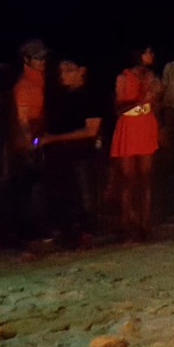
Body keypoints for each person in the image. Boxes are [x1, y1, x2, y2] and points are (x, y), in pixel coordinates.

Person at [43, 57, 104, 244]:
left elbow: (90, 130)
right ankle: (69, 233)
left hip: (81, 156)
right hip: (62, 157)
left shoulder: (90, 96)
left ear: (82, 70)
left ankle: (87, 232)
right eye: (60, 71)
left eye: (68, 70)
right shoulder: (61, 97)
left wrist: (54, 138)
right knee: (66, 196)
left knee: (84, 197)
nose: (63, 75)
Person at [110, 46, 160, 241]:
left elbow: (154, 104)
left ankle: (144, 226)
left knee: (146, 178)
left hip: (146, 125)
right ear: (138, 55)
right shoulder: (123, 78)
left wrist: (155, 98)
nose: (151, 55)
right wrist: (141, 99)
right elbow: (117, 109)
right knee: (128, 179)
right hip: (129, 127)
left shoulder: (152, 76)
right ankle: (126, 226)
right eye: (148, 52)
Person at [9, 39, 49, 243]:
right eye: (37, 57)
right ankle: (29, 233)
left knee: (37, 188)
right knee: (30, 188)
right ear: (26, 60)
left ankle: (36, 230)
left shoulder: (41, 81)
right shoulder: (25, 86)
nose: (42, 61)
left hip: (39, 141)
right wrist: (31, 144)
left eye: (43, 57)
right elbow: (23, 120)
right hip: (29, 145)